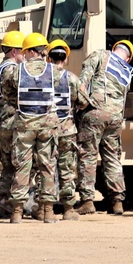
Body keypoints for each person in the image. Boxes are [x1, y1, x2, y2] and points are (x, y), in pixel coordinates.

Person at [0, 32, 60, 224]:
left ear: (31, 51)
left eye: (26, 52)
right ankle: (48, 212)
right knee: (47, 166)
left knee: (22, 166)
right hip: (46, 123)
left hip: (25, 122)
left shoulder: (17, 71)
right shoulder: (54, 71)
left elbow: (5, 90)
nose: (24, 55)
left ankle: (17, 212)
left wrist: (18, 102)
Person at [76, 39, 133, 215]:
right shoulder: (127, 71)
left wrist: (81, 104)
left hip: (95, 112)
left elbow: (82, 82)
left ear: (114, 48)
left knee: (88, 156)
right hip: (116, 118)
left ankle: (87, 201)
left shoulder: (101, 55)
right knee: (112, 158)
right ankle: (117, 201)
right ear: (128, 57)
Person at [47, 39, 90, 221]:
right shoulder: (71, 78)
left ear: (48, 58)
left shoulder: (41, 77)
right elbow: (84, 101)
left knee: (46, 168)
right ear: (65, 59)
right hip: (66, 130)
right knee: (66, 170)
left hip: (46, 130)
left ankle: (45, 208)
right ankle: (68, 209)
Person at [0, 30, 25, 217]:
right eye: (23, 52)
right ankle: (13, 205)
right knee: (19, 164)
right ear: (15, 51)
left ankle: (3, 204)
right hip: (9, 121)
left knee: (7, 164)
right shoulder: (12, 70)